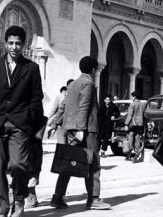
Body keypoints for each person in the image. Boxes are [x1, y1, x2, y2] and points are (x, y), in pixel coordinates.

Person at [0, 25, 44, 217]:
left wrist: (30, 124)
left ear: (23, 45)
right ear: (5, 43)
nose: (14, 47)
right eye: (11, 43)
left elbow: (36, 99)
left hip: (19, 125)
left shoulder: (31, 68)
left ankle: (19, 199)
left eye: (18, 43)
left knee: (17, 165)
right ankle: (3, 208)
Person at [47, 56, 111, 210]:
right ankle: (94, 199)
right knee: (93, 164)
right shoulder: (88, 83)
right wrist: (81, 130)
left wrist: (55, 124)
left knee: (68, 164)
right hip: (86, 130)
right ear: (94, 69)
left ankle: (57, 197)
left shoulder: (73, 84)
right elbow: (84, 107)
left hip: (70, 129)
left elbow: (64, 107)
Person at [124, 91, 145, 162]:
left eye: (132, 96)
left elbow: (129, 116)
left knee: (130, 138)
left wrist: (126, 124)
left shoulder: (132, 104)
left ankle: (129, 155)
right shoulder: (142, 105)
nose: (132, 98)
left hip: (132, 124)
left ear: (134, 97)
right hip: (140, 124)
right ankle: (137, 154)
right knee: (137, 138)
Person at [98, 94, 120, 158]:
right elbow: (98, 115)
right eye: (106, 100)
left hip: (109, 124)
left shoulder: (113, 106)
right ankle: (97, 151)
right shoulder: (101, 106)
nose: (108, 101)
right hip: (101, 124)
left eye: (109, 100)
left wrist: (114, 116)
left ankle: (103, 151)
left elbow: (117, 112)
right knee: (99, 138)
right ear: (104, 100)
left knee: (106, 138)